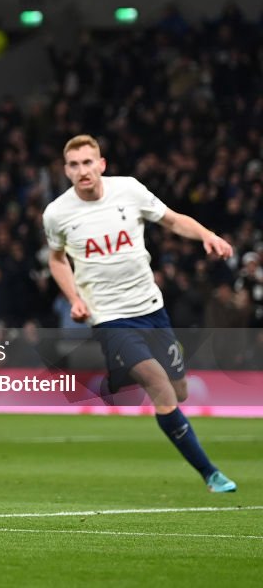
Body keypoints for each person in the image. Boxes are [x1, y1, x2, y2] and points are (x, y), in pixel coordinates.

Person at [43, 134, 236, 493]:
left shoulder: (129, 190)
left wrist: (207, 235)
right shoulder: (57, 213)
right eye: (74, 165)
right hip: (109, 318)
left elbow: (174, 220)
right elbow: (56, 260)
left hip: (151, 307)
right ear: (66, 170)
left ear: (101, 165)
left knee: (179, 391)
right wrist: (74, 298)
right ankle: (211, 473)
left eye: (88, 163)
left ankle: (117, 380)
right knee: (160, 385)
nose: (82, 170)